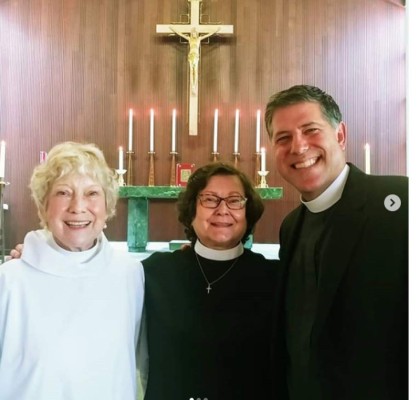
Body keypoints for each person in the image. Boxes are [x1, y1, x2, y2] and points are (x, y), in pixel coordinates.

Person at [265, 85, 408, 399]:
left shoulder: (399, 202)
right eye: (283, 138)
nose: (298, 147)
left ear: (340, 135)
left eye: (310, 130)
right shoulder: (291, 227)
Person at [0, 142, 145, 399]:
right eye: (63, 193)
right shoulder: (10, 281)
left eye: (92, 193)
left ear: (108, 205)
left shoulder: (130, 274)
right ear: (44, 204)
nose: (78, 207)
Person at [141, 162, 280, 400]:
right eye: (210, 199)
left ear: (248, 212)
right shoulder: (156, 273)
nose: (223, 210)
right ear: (191, 209)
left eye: (235, 200)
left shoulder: (273, 278)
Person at [169, 26, 220, 93]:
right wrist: (173, 29)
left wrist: (216, 30)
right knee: (191, 72)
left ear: (196, 33)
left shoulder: (199, 39)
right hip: (191, 56)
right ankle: (192, 86)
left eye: (195, 32)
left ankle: (194, 86)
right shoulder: (189, 39)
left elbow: (208, 34)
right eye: (193, 32)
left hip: (196, 56)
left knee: (195, 72)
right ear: (191, 33)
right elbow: (180, 34)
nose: (194, 34)